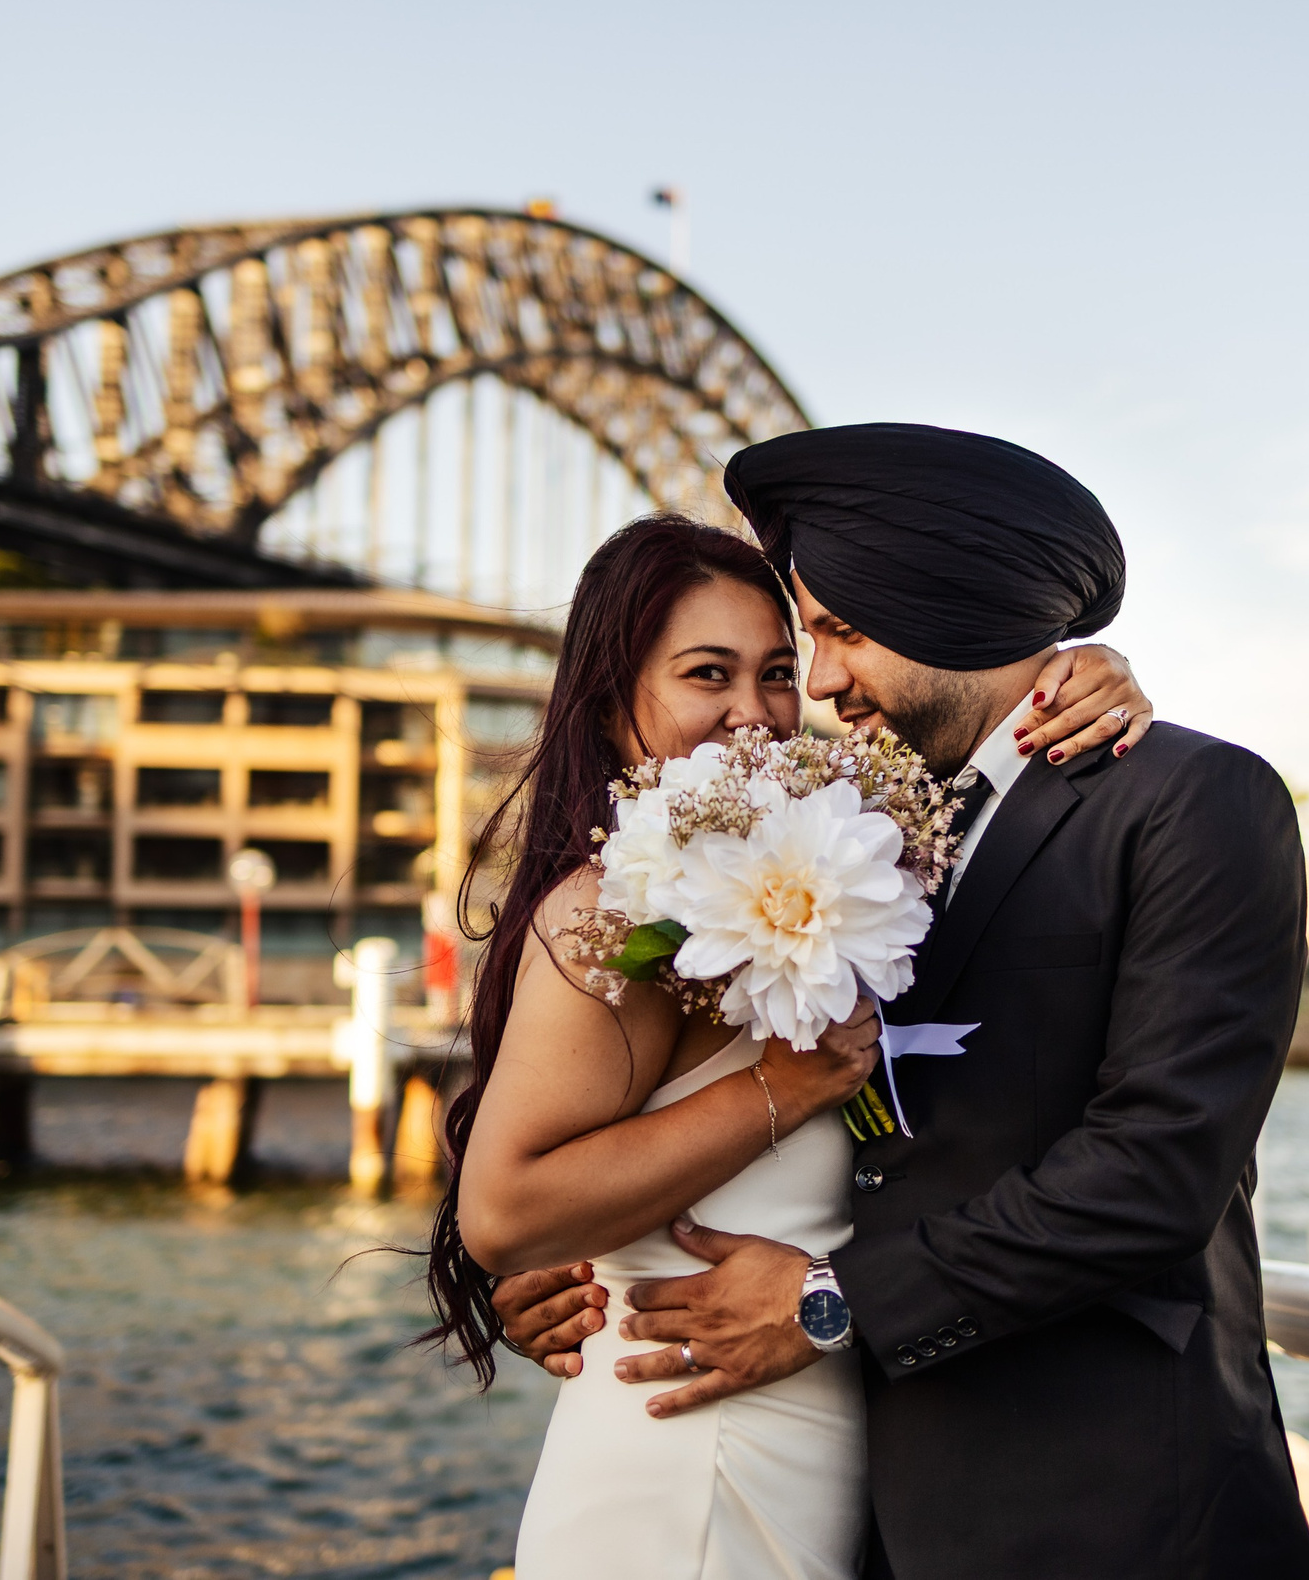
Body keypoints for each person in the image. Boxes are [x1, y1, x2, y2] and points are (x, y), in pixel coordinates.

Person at [493, 424, 1309, 1579]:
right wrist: (569, 1257)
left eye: (838, 634)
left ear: (951, 608)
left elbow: (1154, 1174)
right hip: (877, 1507)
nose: (817, 686)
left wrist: (829, 1304)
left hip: (1113, 1510)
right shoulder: (857, 829)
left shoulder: (1191, 802)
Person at [422, 509, 1157, 1580]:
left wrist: (1084, 676)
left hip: (810, 1441)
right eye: (705, 674)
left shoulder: (803, 871)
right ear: (611, 698)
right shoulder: (618, 911)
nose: (753, 714)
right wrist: (782, 1086)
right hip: (693, 1466)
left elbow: (980, 779)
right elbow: (503, 1210)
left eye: (775, 672)